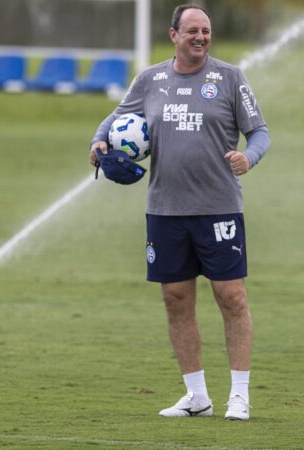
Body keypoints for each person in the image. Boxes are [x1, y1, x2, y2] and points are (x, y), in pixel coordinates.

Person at [89, 4, 270, 421]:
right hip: (165, 210)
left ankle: (239, 395)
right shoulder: (150, 80)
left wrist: (250, 157)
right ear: (174, 35)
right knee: (175, 299)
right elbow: (118, 118)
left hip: (219, 207)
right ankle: (197, 396)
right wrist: (98, 142)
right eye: (192, 31)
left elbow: (259, 131)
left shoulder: (230, 78)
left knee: (232, 296)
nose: (201, 37)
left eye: (205, 31)